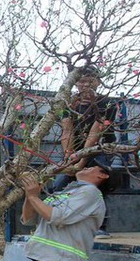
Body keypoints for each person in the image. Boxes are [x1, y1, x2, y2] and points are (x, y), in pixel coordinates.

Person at [52, 65, 122, 236]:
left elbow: (95, 133)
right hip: (74, 151)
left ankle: (98, 226)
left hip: (100, 149)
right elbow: (66, 131)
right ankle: (61, 222)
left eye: (89, 81)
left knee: (95, 185)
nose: (84, 85)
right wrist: (69, 159)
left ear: (98, 82)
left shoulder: (107, 103)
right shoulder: (69, 104)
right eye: (81, 81)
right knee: (59, 185)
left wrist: (82, 161)